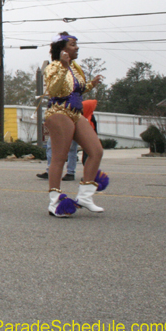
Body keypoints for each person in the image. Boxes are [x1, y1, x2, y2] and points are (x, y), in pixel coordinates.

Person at [43, 32, 108, 217]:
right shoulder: (54, 66)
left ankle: (85, 197)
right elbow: (54, 90)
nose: (77, 47)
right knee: (59, 158)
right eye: (72, 44)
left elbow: (77, 88)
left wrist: (92, 85)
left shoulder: (76, 67)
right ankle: (54, 201)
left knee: (96, 151)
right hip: (58, 112)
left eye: (76, 44)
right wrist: (63, 66)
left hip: (75, 112)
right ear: (62, 49)